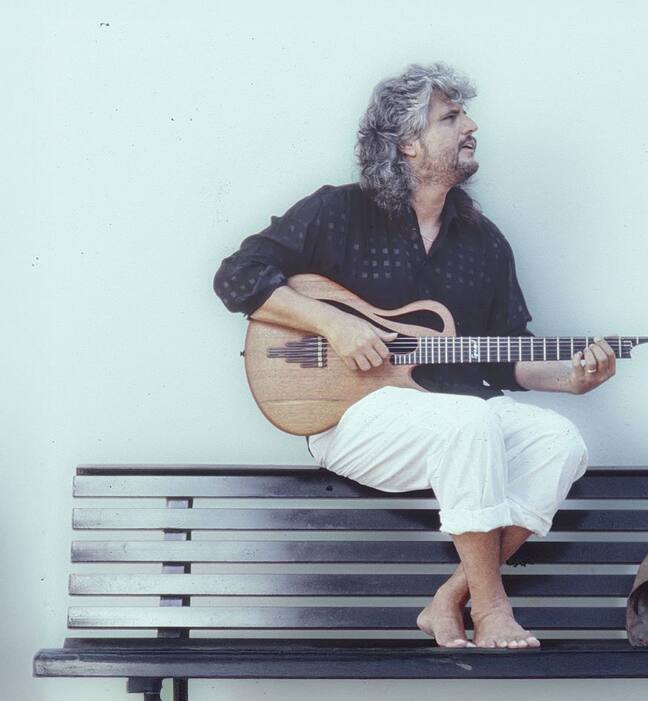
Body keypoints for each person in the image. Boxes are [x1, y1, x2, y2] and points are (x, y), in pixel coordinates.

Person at [213, 63, 616, 650]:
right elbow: (236, 277)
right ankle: (491, 607)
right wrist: (334, 325)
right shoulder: (337, 212)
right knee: (470, 419)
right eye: (451, 117)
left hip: (452, 416)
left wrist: (572, 381)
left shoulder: (484, 241)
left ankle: (447, 598)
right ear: (406, 141)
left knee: (561, 441)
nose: (471, 125)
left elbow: (504, 358)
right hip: (349, 418)